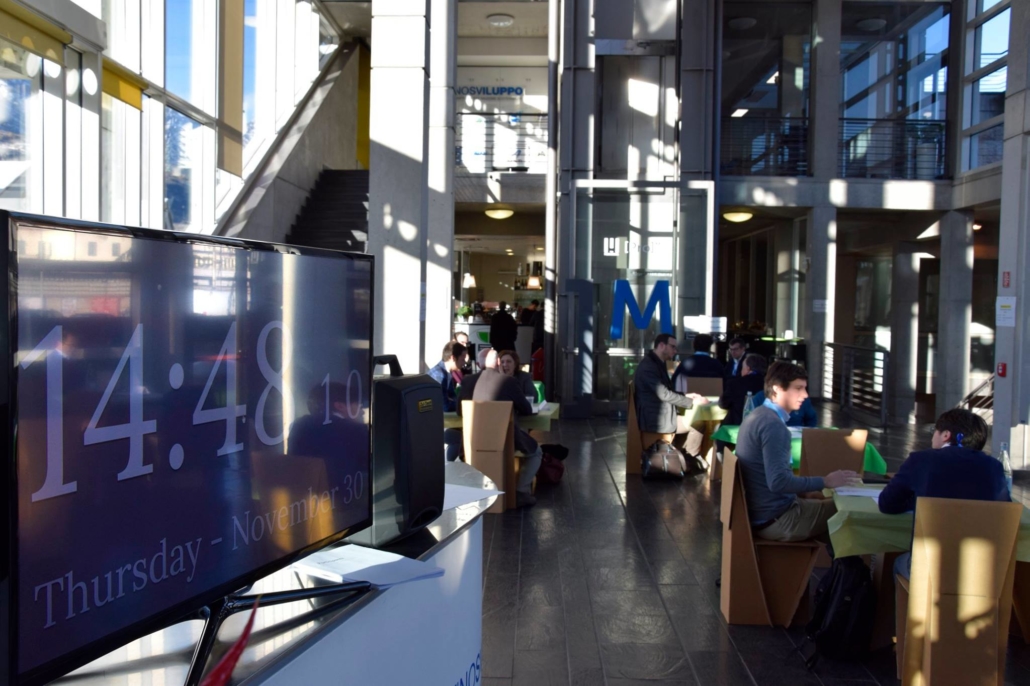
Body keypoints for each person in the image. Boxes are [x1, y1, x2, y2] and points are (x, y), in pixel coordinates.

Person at [735, 361, 860, 542]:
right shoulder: (773, 425)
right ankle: (851, 561)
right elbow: (778, 482)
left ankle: (839, 559)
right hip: (779, 520)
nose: (805, 395)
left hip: (763, 515)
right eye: (798, 388)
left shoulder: (757, 414)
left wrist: (811, 490)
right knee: (851, 506)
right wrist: (825, 481)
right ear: (777, 389)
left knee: (829, 503)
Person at [879, 409, 1009, 580]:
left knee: (897, 562)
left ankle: (911, 599)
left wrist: (916, 500)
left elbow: (887, 504)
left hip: (930, 569)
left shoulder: (921, 460)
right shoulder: (994, 467)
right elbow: (1005, 512)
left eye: (934, 432)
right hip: (983, 572)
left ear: (946, 435)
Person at [459, 350, 541, 507]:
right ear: (498, 363)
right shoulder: (508, 382)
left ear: (480, 364)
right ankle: (521, 492)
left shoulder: (468, 381)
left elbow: (459, 411)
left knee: (453, 443)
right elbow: (527, 409)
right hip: (504, 440)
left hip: (472, 442)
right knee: (536, 452)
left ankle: (465, 486)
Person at [633, 333, 710, 461]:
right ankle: (691, 459)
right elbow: (664, 394)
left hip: (659, 414)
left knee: (694, 420)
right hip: (654, 419)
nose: (675, 351)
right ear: (661, 346)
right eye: (673, 347)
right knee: (698, 423)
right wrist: (692, 402)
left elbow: (666, 391)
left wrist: (686, 396)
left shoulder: (656, 362)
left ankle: (681, 457)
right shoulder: (649, 366)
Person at [427, 341, 467, 461]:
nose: (465, 362)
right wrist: (463, 405)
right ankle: (447, 467)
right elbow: (445, 405)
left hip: (437, 423)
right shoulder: (440, 375)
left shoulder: (444, 372)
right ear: (453, 358)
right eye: (462, 358)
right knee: (461, 439)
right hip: (432, 426)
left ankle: (447, 466)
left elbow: (452, 399)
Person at [718, 353, 767, 426]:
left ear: (748, 369)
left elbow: (723, 404)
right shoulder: (769, 385)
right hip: (763, 426)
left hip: (737, 427)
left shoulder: (735, 383)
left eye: (742, 367)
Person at [748, 388, 818, 428]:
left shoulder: (803, 400)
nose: (805, 395)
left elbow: (812, 420)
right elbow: (750, 423)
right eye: (798, 388)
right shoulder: (760, 398)